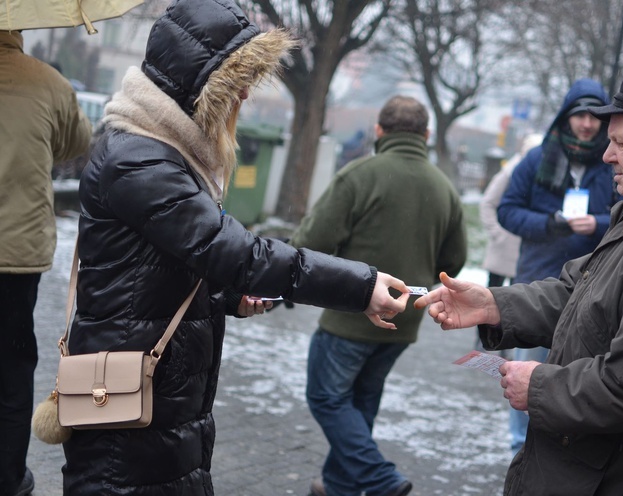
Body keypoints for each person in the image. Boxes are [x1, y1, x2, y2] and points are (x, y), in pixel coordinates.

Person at [60, 1, 410, 494]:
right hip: (127, 405)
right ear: (194, 82)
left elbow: (165, 265)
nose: (246, 93)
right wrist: (362, 285)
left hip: (157, 393)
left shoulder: (160, 152)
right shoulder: (140, 160)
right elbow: (237, 254)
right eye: (235, 79)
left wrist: (226, 297)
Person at [415, 71, 623, 495]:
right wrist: (493, 304)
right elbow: (580, 292)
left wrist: (540, 386)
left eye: (621, 143)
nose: (607, 155)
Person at [291, 95, 467, 496]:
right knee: (361, 402)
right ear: (425, 135)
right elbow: (454, 260)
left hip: (352, 313)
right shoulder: (445, 188)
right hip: (405, 319)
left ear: (378, 131)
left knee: (326, 397)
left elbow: (310, 242)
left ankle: (381, 480)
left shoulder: (359, 175)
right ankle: (337, 485)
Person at [496, 78, 619, 456]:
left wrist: (597, 223)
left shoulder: (611, 162)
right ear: (566, 117)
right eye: (580, 114)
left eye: (595, 115)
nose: (587, 123)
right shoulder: (536, 159)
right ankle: (521, 446)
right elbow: (507, 210)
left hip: (592, 284)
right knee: (526, 372)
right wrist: (548, 223)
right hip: (538, 279)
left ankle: (561, 446)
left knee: (575, 375)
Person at [0, 30, 92, 496]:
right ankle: (9, 478)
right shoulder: (50, 83)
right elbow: (78, 142)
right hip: (16, 256)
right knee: (13, 369)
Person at [476, 133, 543, 351]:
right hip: (504, 246)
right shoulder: (510, 172)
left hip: (523, 249)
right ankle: (484, 337)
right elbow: (487, 202)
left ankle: (506, 339)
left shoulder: (540, 171)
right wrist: (497, 233)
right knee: (491, 295)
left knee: (516, 298)